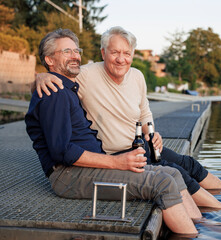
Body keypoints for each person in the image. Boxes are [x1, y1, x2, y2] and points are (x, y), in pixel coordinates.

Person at [25, 28, 201, 234]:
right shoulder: (54, 93)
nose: (75, 56)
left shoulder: (68, 87)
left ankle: (201, 228)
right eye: (66, 51)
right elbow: (61, 152)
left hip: (88, 167)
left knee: (172, 173)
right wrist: (117, 162)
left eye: (76, 50)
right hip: (69, 176)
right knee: (162, 182)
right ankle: (192, 235)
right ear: (50, 60)